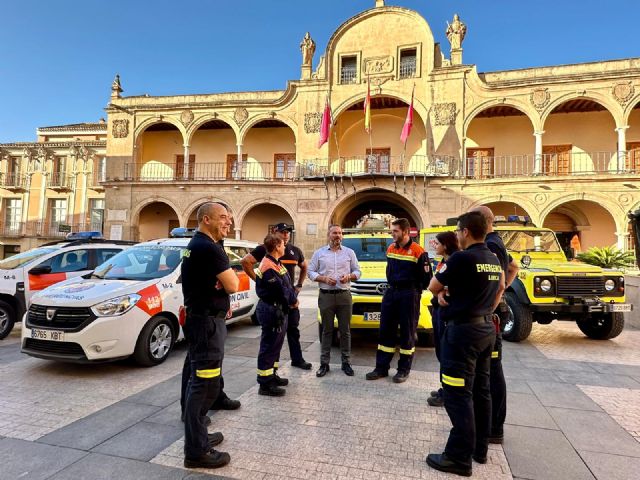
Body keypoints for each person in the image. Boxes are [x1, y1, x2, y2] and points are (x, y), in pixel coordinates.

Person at [426, 211, 504, 477]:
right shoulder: (492, 258)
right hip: (485, 329)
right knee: (482, 390)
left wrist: (444, 295)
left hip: (463, 334)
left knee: (457, 393)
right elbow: (499, 287)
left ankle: (458, 457)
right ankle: (479, 448)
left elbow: (432, 285)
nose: (457, 234)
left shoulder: (462, 257)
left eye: (458, 230)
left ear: (466, 231)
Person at [181, 202, 239, 469]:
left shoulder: (197, 245)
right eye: (223, 218)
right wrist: (225, 283)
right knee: (204, 385)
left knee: (203, 383)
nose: (228, 223)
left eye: (229, 218)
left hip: (202, 320)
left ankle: (199, 436)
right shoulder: (208, 247)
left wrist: (222, 284)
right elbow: (233, 284)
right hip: (205, 324)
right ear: (206, 219)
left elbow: (220, 283)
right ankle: (196, 451)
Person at [471, 206, 520, 444]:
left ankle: (493, 427)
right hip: (495, 315)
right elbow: (514, 268)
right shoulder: (497, 241)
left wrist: (490, 306)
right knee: (492, 371)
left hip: (490, 317)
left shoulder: (488, 245)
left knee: (491, 373)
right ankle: (492, 426)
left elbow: (499, 283)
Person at [365, 218, 432, 383]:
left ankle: (403, 369)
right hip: (391, 292)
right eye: (392, 231)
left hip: (409, 294)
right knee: (385, 331)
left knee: (407, 333)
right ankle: (381, 368)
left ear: (406, 232)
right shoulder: (391, 247)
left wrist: (414, 292)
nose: (392, 234)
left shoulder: (418, 251)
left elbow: (427, 279)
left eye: (395, 231)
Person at [241, 223, 312, 371]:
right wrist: (260, 281)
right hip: (278, 301)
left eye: (288, 232)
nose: (286, 235)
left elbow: (304, 266)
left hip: (288, 299)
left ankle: (296, 360)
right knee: (274, 339)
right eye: (283, 232)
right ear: (275, 233)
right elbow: (245, 262)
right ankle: (271, 371)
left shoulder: (294, 250)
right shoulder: (266, 249)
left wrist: (298, 286)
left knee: (292, 331)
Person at [308, 224, 361, 377]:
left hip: (344, 295)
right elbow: (311, 271)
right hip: (326, 295)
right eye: (334, 233)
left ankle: (346, 362)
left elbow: (358, 271)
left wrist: (349, 277)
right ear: (329, 235)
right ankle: (324, 364)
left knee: (345, 331)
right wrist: (323, 278)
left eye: (339, 233)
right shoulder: (319, 253)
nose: (337, 235)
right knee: (326, 330)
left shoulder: (349, 253)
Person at [254, 234, 299, 396]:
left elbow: (287, 284)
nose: (285, 247)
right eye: (282, 244)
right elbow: (280, 290)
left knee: (275, 346)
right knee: (269, 347)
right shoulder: (269, 266)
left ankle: (271, 375)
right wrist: (293, 300)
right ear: (276, 246)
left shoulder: (275, 262)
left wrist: (292, 298)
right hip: (271, 310)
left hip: (278, 309)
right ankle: (265, 384)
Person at [427, 231, 460, 407]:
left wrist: (439, 289)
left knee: (446, 354)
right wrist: (440, 290)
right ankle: (444, 388)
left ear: (446, 245)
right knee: (441, 352)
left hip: (447, 311)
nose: (434, 245)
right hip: (439, 309)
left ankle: (447, 393)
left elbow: (438, 284)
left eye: (437, 243)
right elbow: (437, 284)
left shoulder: (454, 260)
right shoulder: (443, 261)